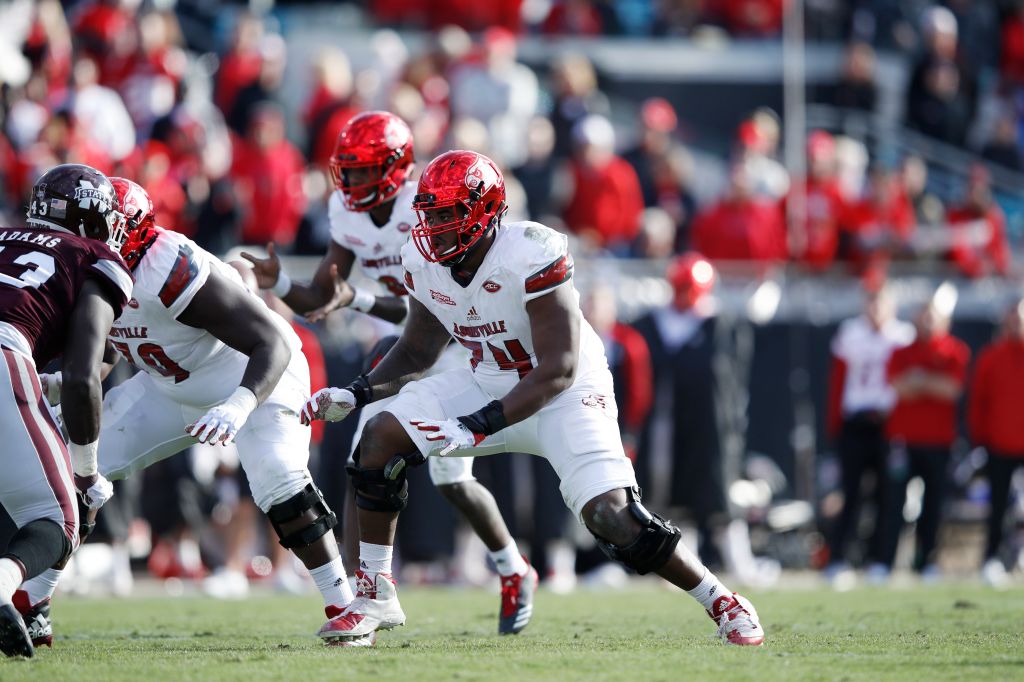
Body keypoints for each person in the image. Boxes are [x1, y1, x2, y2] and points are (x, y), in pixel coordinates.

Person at [304, 150, 764, 647]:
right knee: (379, 435)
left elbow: (558, 368)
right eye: (429, 214)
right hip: (486, 377)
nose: (434, 227)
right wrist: (357, 391)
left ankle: (721, 599)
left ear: (485, 211)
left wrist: (475, 425)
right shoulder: (424, 261)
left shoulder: (532, 251)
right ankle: (374, 596)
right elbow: (417, 348)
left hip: (565, 394)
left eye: (447, 214)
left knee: (613, 517)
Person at [18, 178, 358, 646]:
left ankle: (346, 605)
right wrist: (63, 384)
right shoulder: (88, 267)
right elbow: (112, 346)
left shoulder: (168, 265)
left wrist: (239, 405)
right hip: (169, 386)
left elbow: (273, 341)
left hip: (253, 374)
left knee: (278, 477)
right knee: (59, 470)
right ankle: (32, 602)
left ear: (129, 232)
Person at [241, 112, 534, 634]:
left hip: (456, 344)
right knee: (365, 457)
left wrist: (359, 298)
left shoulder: (426, 204)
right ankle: (365, 593)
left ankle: (513, 568)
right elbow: (325, 296)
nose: (350, 184)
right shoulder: (347, 213)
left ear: (396, 168)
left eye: (362, 172)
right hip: (406, 349)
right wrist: (282, 281)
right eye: (346, 172)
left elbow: (433, 314)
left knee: (453, 480)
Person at [0, 164, 130, 657]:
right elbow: (82, 376)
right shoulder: (92, 254)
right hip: (3, 351)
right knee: (58, 517)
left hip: (12, 355)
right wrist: (88, 472)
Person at [873, 292, 969, 581]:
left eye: (933, 315)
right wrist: (927, 383)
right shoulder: (901, 352)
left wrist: (921, 380)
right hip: (903, 439)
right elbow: (899, 386)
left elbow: (952, 389)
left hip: (939, 441)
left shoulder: (955, 351)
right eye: (923, 314)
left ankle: (926, 562)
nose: (927, 321)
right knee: (893, 503)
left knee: (933, 504)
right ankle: (884, 562)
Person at [824, 283, 914, 583]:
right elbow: (838, 380)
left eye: (881, 303)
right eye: (871, 302)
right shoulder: (850, 332)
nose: (875, 310)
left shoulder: (903, 335)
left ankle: (880, 561)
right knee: (850, 495)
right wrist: (835, 424)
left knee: (888, 495)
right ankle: (838, 559)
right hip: (855, 422)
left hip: (888, 425)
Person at [968, 298, 1024, 587]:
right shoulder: (991, 356)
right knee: (998, 507)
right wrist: (980, 438)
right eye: (1012, 316)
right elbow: (979, 401)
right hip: (1000, 443)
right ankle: (993, 559)